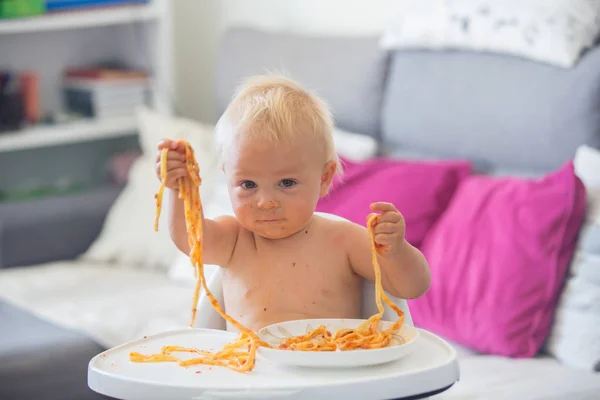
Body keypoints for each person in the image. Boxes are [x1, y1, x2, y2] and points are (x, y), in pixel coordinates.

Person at [155, 75, 430, 332]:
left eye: (286, 183)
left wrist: (396, 251)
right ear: (227, 178)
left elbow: (411, 287)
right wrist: (179, 189)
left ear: (324, 178)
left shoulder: (343, 241)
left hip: (330, 375)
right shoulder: (234, 240)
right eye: (248, 185)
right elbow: (190, 240)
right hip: (249, 377)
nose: (265, 202)